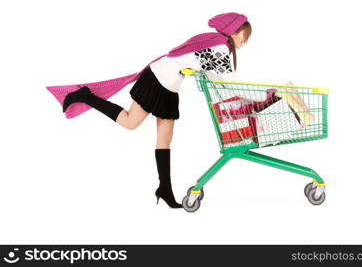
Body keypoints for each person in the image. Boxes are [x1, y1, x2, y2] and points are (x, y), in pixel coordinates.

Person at [47, 12, 253, 209]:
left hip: (169, 86)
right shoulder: (219, 47)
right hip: (157, 81)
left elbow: (215, 76)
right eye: (244, 36)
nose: (244, 43)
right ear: (234, 31)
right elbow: (229, 84)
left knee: (165, 139)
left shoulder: (212, 41)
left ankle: (165, 189)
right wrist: (266, 95)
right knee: (130, 123)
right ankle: (85, 96)